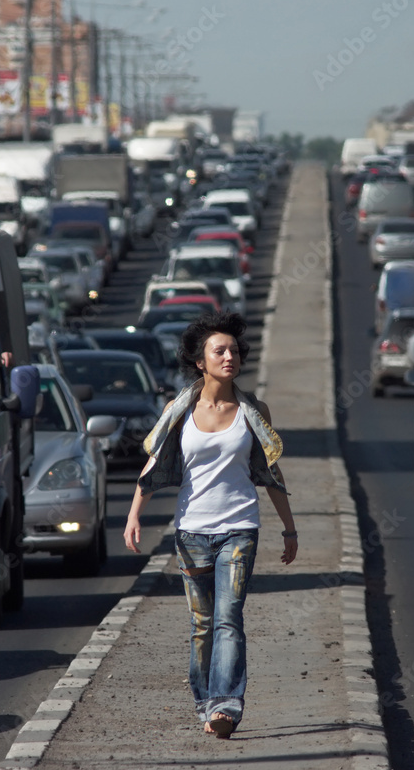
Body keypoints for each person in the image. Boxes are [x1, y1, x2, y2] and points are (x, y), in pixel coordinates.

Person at [124, 311, 297, 740]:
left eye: (234, 350)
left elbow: (272, 473)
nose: (229, 357)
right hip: (191, 532)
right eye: (219, 350)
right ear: (200, 362)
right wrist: (134, 513)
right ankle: (205, 701)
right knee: (202, 624)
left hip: (240, 527)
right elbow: (154, 462)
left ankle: (225, 704)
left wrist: (289, 528)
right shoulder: (179, 410)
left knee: (228, 618)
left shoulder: (253, 409)